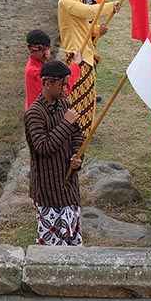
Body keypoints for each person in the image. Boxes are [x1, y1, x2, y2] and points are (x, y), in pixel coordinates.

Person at [24, 60, 86, 245]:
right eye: (62, 85)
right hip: (48, 192)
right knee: (50, 251)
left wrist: (78, 156)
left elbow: (78, 137)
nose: (66, 89)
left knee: (73, 244)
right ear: (48, 83)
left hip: (69, 189)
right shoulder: (34, 114)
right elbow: (44, 147)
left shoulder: (64, 105)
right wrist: (66, 123)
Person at [57, 0, 116, 134]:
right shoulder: (67, 1)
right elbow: (89, 12)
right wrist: (111, 6)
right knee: (80, 98)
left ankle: (84, 131)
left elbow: (82, 25)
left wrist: (97, 30)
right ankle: (79, 133)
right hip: (78, 55)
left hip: (84, 53)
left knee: (89, 97)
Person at [23, 29, 80, 110]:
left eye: (48, 49)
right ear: (33, 51)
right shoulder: (34, 72)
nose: (47, 53)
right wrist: (76, 65)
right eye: (44, 50)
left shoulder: (40, 64)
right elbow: (60, 90)